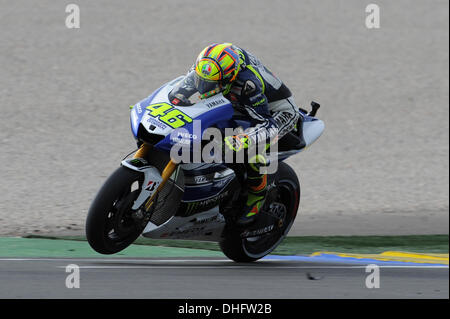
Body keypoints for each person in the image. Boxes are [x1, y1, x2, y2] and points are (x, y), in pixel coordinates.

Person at [170, 43, 305, 225]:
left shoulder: (247, 85)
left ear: (228, 79)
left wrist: (243, 139)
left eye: (210, 83)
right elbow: (181, 88)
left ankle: (257, 192)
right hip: (243, 101)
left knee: (247, 147)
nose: (204, 86)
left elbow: (265, 124)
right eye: (202, 80)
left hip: (278, 114)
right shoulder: (208, 66)